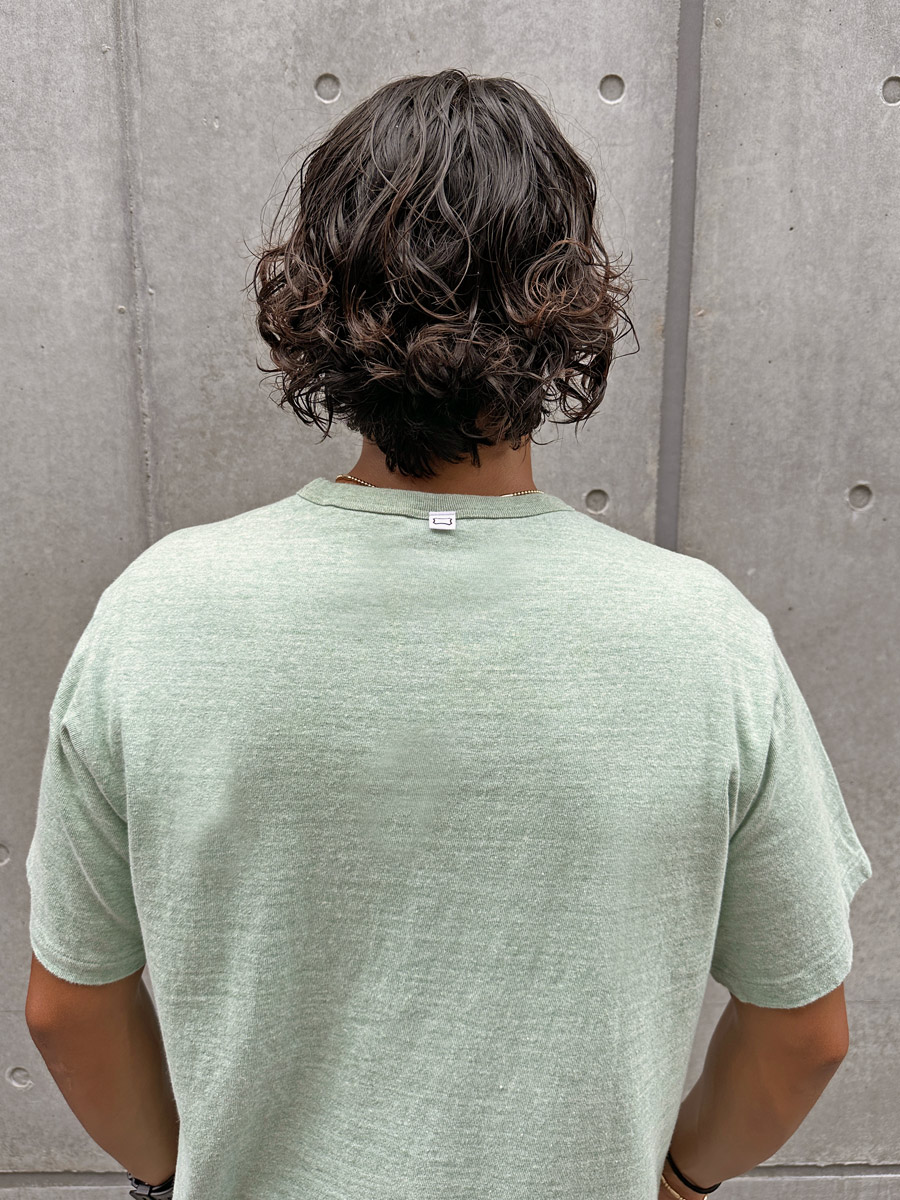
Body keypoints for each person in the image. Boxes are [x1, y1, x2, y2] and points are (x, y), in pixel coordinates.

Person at [24, 68, 872, 1200]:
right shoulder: (705, 637)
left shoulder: (157, 614)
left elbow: (69, 1007)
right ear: (569, 304)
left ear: (317, 301)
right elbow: (803, 1030)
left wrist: (195, 1173)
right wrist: (675, 1179)